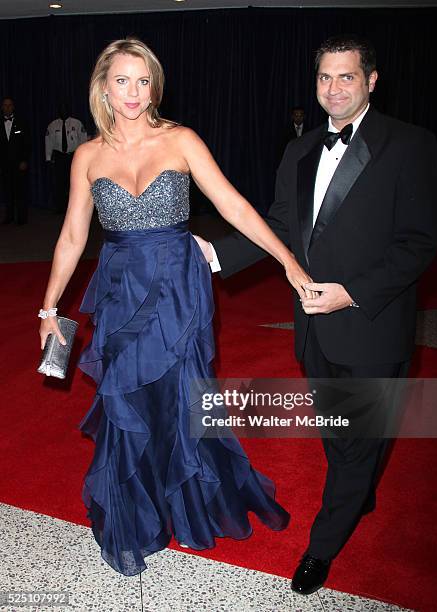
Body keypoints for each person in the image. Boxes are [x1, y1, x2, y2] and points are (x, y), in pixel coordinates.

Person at [38, 38, 316, 577]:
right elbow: (73, 235)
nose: (134, 92)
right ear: (103, 87)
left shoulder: (181, 139)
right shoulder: (88, 155)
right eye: (122, 80)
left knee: (182, 397)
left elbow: (232, 203)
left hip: (177, 285)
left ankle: (191, 503)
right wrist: (49, 308)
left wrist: (287, 261)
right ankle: (137, 511)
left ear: (155, 85)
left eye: (144, 80)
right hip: (120, 290)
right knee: (129, 401)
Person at [195, 34, 437, 595]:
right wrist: (215, 255)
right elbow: (280, 227)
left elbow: (419, 242)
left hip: (372, 323)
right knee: (342, 430)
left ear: (371, 81)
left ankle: (323, 545)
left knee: (355, 443)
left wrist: (350, 292)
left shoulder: (411, 144)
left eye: (346, 77)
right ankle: (360, 483)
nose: (333, 89)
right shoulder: (298, 150)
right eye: (324, 78)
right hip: (313, 328)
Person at [45, 103, 88, 213]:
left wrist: (84, 158)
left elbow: (83, 140)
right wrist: (48, 158)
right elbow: (48, 142)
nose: (63, 111)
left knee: (75, 183)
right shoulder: (53, 125)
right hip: (59, 157)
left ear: (69, 110)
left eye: (65, 108)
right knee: (59, 183)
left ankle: (74, 208)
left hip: (73, 156)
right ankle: (60, 207)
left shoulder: (77, 123)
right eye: (61, 109)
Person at [0, 97, 30, 224]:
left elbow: (27, 143)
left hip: (19, 163)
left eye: (10, 105)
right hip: (4, 164)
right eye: (5, 105)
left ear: (13, 107)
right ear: (2, 107)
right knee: (8, 191)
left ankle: (21, 218)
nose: (7, 107)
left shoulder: (21, 122)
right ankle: (9, 217)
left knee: (20, 191)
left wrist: (24, 160)